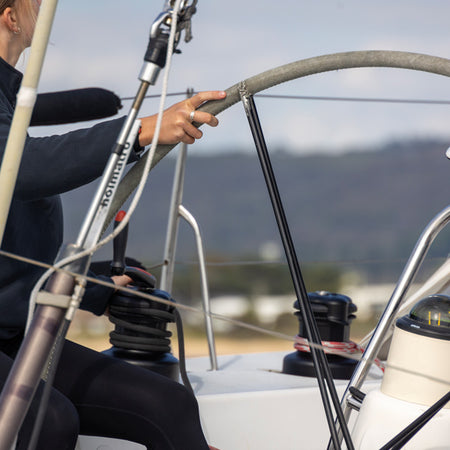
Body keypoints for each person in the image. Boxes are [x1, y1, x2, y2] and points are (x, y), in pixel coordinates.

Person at [0, 0, 224, 448]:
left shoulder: (10, 98)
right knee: (49, 423)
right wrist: (141, 131)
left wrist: (94, 285)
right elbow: (22, 169)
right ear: (10, 17)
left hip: (10, 332)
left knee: (169, 405)